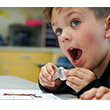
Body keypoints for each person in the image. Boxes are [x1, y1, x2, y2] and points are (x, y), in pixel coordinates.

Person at [38, 7, 110, 98]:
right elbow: (67, 87)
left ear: (107, 26)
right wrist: (54, 83)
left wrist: (93, 91)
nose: (63, 36)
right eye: (59, 31)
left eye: (75, 22)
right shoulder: (81, 66)